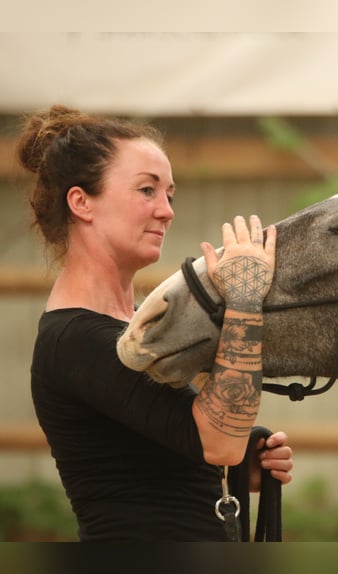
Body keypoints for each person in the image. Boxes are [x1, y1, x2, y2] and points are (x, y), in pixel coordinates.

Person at [17, 105, 293, 541]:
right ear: (81, 202)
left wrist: (241, 464)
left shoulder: (128, 328)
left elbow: (181, 445)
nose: (166, 211)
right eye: (147, 190)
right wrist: (243, 298)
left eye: (169, 195)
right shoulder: (74, 338)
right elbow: (216, 439)